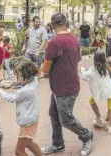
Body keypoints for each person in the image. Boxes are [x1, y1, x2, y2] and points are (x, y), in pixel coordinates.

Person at [41, 13, 93, 156]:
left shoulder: (54, 43)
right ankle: (58, 143)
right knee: (54, 114)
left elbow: (45, 69)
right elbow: (79, 58)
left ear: (52, 26)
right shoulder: (75, 40)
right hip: (66, 85)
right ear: (66, 23)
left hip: (64, 88)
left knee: (66, 119)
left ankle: (87, 136)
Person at [0, 59, 42, 156]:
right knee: (29, 143)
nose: (17, 77)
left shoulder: (24, 91)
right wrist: (14, 84)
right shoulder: (35, 81)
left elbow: (11, 98)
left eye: (18, 75)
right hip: (32, 119)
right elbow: (23, 84)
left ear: (26, 75)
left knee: (19, 151)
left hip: (27, 122)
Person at [80, 50, 111, 134]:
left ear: (95, 59)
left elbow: (83, 76)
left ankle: (98, 118)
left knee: (91, 101)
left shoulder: (92, 70)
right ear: (104, 59)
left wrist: (82, 69)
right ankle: (110, 126)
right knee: (110, 106)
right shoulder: (106, 67)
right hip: (109, 89)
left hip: (99, 91)